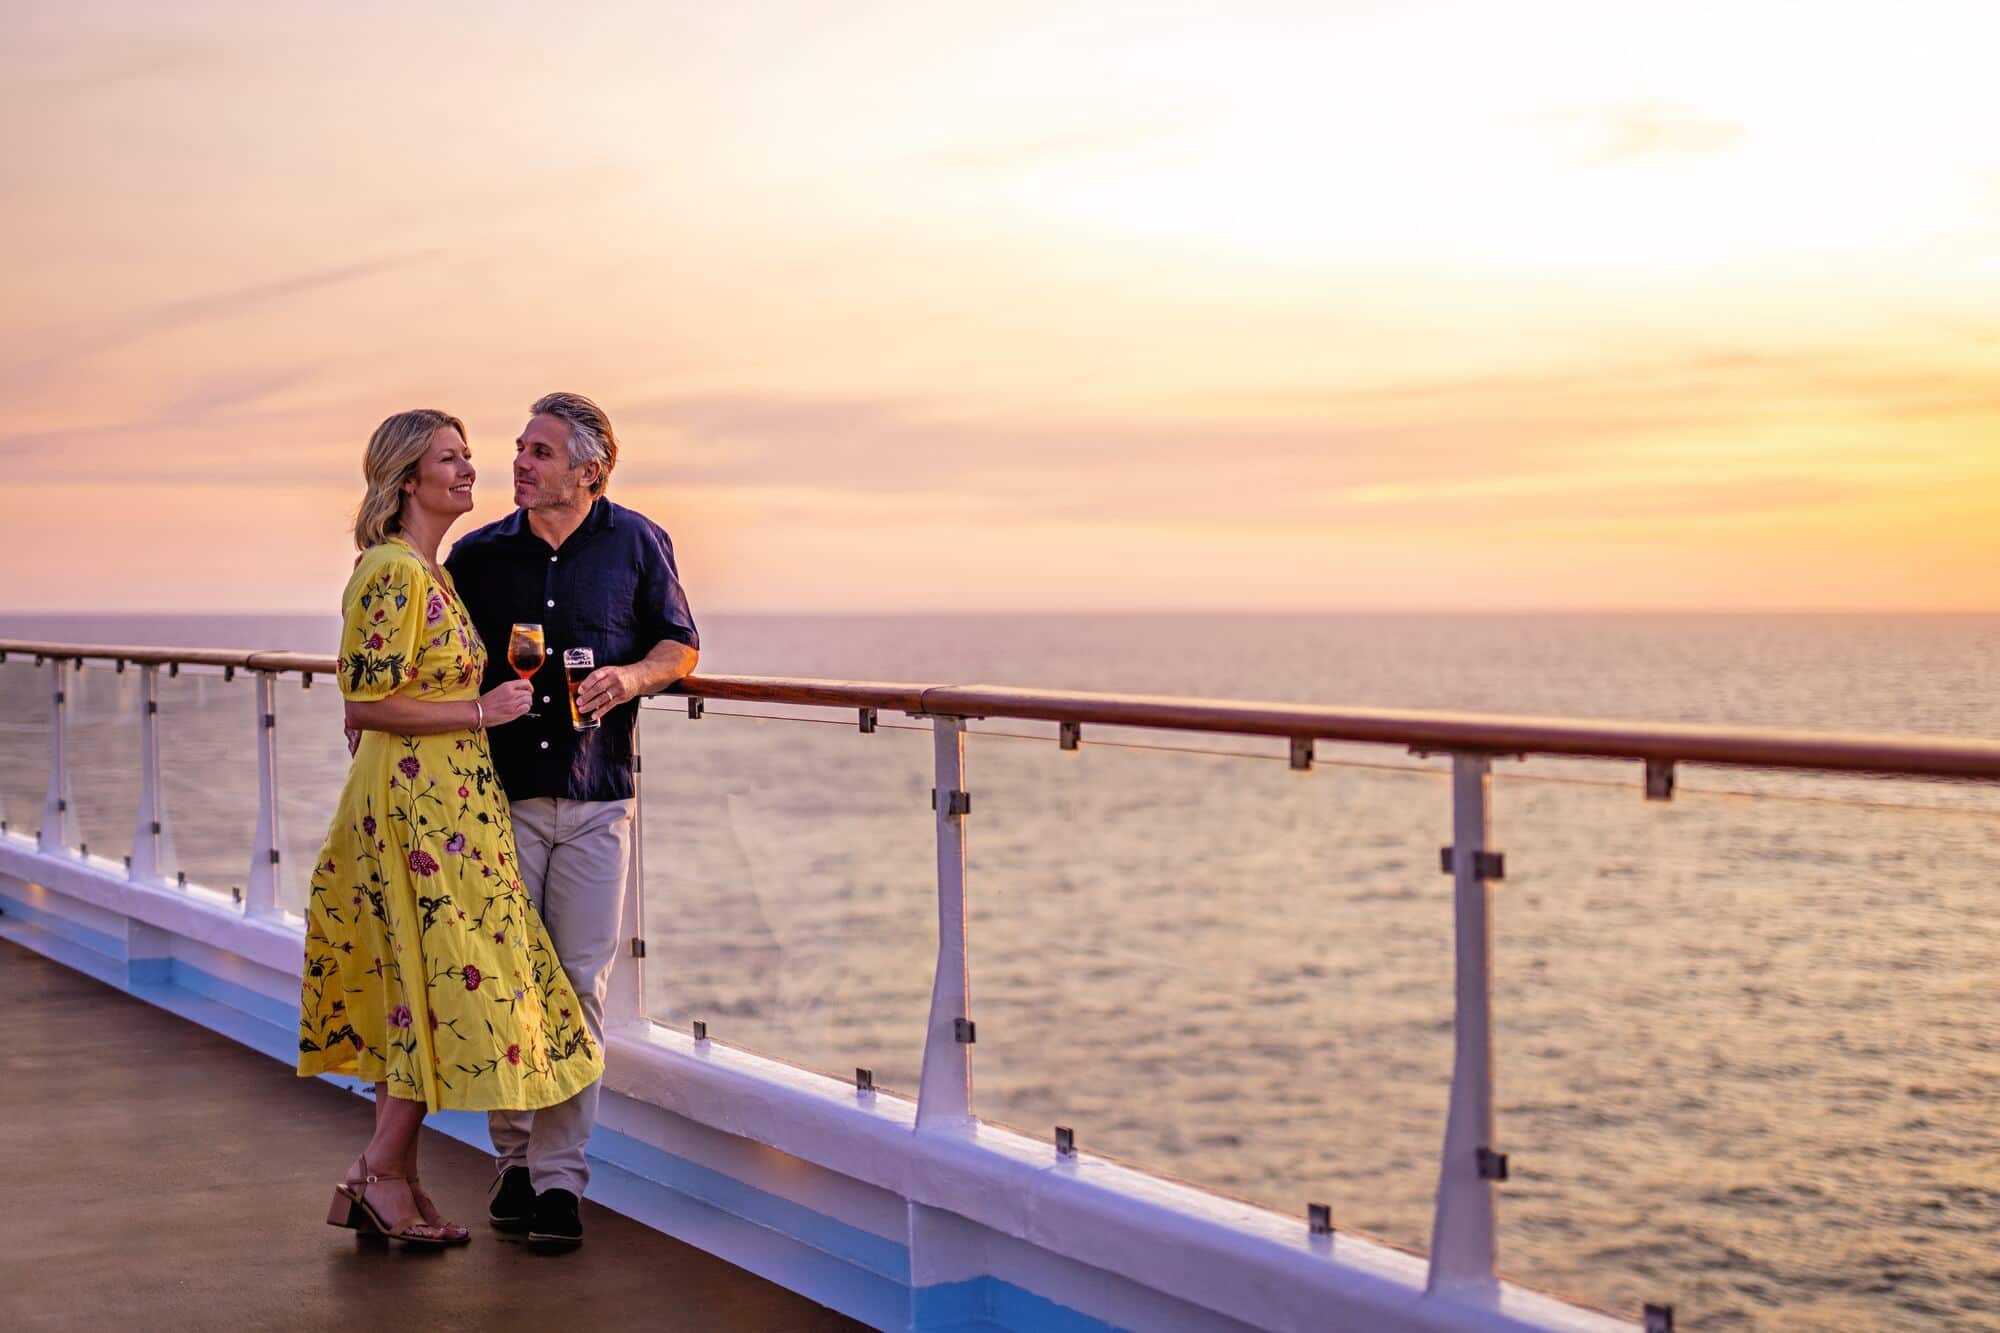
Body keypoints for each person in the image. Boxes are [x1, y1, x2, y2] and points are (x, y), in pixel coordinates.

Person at [298, 409, 605, 1247]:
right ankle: (379, 1172)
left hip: (447, 811)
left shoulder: (431, 571)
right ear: (408, 480)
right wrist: (481, 710)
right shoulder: (393, 571)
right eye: (450, 458)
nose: (471, 468)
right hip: (414, 815)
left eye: (470, 455)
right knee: (440, 990)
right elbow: (364, 702)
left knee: (418, 993)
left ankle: (391, 1178)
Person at [446, 392, 699, 1249]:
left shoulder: (637, 542)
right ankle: (513, 1160)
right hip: (499, 798)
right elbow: (442, 664)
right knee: (508, 980)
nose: (519, 463)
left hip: (598, 798)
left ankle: (559, 1178)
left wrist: (631, 679)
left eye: (540, 452)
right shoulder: (478, 556)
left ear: (591, 470)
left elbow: (679, 643)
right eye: (519, 448)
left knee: (581, 982)